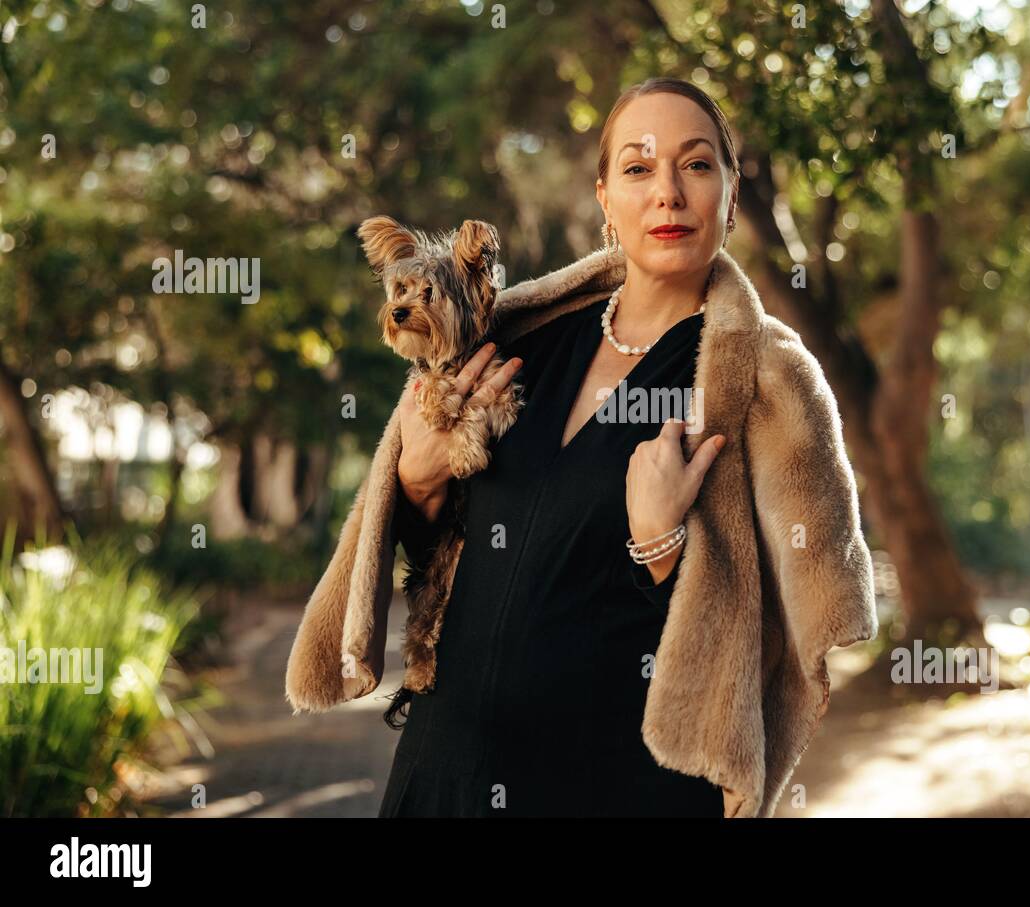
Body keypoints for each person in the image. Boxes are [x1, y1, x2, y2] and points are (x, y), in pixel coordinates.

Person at [286, 76, 878, 819]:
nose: (667, 192)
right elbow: (438, 549)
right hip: (445, 772)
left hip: (618, 787)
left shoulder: (764, 379)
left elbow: (788, 632)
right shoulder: (521, 342)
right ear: (605, 200)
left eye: (696, 165)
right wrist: (416, 476)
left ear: (730, 198)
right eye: (638, 167)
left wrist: (660, 547)